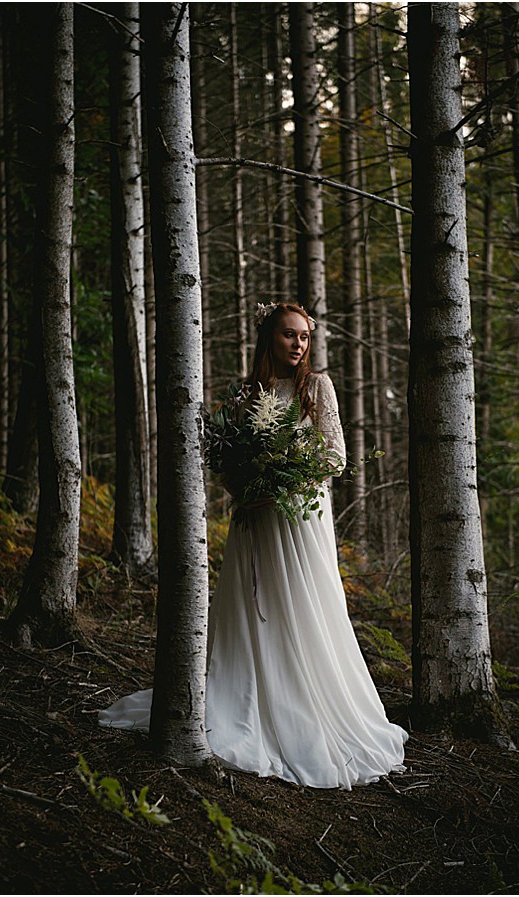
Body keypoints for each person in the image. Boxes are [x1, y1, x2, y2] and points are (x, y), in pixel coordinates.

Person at [99, 302, 408, 790]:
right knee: (252, 607)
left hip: (301, 517)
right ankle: (245, 700)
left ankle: (305, 703)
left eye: (304, 336)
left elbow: (336, 457)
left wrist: (285, 480)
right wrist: (246, 488)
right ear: (269, 338)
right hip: (257, 519)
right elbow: (225, 460)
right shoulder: (248, 393)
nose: (299, 345)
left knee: (303, 606)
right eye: (289, 336)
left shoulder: (316, 387)